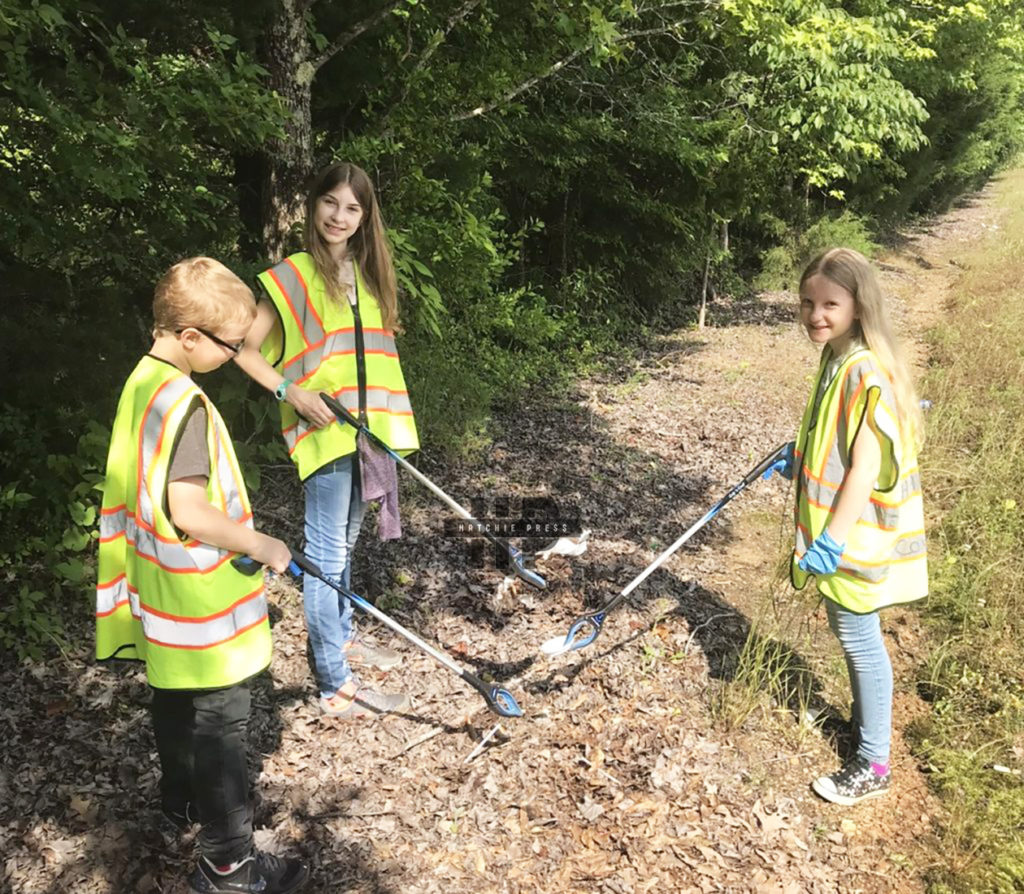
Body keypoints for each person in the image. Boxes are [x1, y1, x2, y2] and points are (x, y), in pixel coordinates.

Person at [95, 258, 309, 893]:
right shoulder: (184, 404)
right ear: (190, 337)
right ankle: (228, 864)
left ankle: (182, 804)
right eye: (230, 344)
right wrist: (263, 543)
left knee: (174, 697)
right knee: (221, 720)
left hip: (160, 590)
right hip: (198, 597)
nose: (237, 354)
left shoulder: (144, 381)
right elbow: (188, 510)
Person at [234, 162, 420, 718]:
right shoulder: (292, 275)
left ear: (365, 217)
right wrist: (290, 392)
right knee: (325, 556)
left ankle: (342, 638)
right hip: (325, 431)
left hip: (370, 434)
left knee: (345, 548)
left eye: (352, 207)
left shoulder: (368, 275)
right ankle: (335, 684)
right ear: (314, 205)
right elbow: (243, 351)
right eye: (330, 203)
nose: (339, 216)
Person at [767, 247, 928, 806]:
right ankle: (864, 727)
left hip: (856, 536)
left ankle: (874, 763)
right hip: (841, 533)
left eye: (830, 304)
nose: (815, 314)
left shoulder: (863, 370)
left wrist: (832, 538)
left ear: (858, 306)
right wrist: (802, 454)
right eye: (807, 302)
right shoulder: (836, 356)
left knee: (860, 640)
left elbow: (864, 467)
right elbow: (836, 439)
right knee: (852, 631)